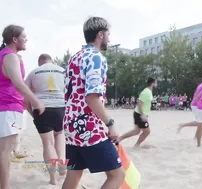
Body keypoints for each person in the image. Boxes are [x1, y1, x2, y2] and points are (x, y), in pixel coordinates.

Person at [61, 17, 124, 189]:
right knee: (117, 175)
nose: (110, 39)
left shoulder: (74, 58)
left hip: (70, 125)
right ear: (100, 35)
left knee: (73, 174)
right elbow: (92, 98)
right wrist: (110, 124)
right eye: (108, 34)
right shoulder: (96, 58)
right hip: (88, 126)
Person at [0, 25, 45, 189]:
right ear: (14, 39)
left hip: (9, 108)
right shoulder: (10, 56)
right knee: (5, 151)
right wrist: (36, 101)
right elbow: (18, 83)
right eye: (24, 37)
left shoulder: (5, 55)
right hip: (8, 108)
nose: (26, 39)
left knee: (5, 150)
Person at [24, 54, 66, 185]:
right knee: (60, 134)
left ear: (40, 62)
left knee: (48, 144)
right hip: (61, 107)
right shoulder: (62, 70)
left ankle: (53, 179)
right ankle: (62, 165)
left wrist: (32, 113)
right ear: (51, 61)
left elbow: (25, 97)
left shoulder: (33, 72)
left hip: (42, 108)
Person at [118, 77, 156, 148]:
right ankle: (136, 145)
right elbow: (139, 103)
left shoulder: (149, 92)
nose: (156, 84)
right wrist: (142, 115)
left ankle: (120, 138)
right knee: (147, 132)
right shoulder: (146, 92)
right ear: (153, 83)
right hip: (139, 114)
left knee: (136, 131)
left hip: (138, 113)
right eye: (156, 82)